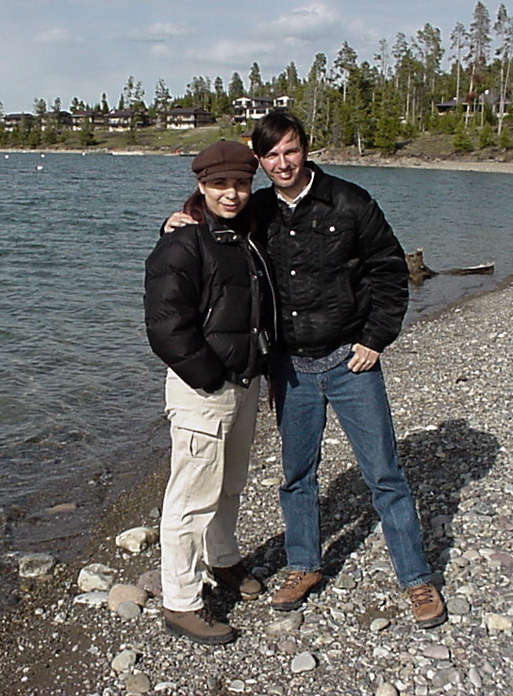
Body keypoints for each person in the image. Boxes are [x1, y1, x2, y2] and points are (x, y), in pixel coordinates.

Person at [165, 113, 446, 629]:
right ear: (261, 161)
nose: (282, 164)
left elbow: (389, 270)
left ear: (305, 149)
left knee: (384, 473)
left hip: (349, 360)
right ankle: (303, 566)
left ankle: (417, 579)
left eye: (289, 151)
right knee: (297, 476)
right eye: (270, 157)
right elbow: (214, 229)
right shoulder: (258, 210)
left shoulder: (350, 201)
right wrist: (178, 217)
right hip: (289, 367)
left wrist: (375, 338)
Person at [144, 140, 277, 644]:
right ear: (202, 186)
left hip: (243, 382)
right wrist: (209, 377)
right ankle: (180, 602)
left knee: (230, 484)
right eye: (220, 184)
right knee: (190, 497)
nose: (232, 193)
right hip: (205, 388)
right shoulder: (183, 242)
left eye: (241, 183)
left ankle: (222, 559)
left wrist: (249, 373)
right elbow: (165, 326)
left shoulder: (246, 236)